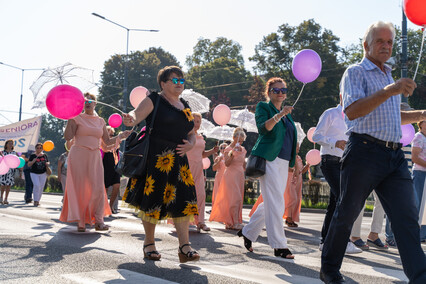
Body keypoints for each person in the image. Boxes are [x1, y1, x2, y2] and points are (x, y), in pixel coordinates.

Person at [320, 21, 426, 284]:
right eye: (380, 41)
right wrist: (392, 89)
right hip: (364, 152)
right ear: (366, 45)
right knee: (347, 212)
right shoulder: (355, 72)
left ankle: (421, 276)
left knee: (407, 218)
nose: (386, 46)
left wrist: (422, 114)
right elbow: (353, 111)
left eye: (390, 42)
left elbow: (392, 115)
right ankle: (329, 270)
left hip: (394, 156)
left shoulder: (388, 75)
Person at [122, 66, 200, 263]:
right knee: (153, 200)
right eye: (175, 80)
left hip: (179, 163)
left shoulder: (185, 105)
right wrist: (130, 119)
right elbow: (136, 115)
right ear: (163, 83)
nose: (179, 84)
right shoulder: (154, 99)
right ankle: (149, 243)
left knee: (183, 202)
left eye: (181, 80)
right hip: (156, 159)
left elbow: (191, 134)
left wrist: (190, 146)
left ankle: (184, 247)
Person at [238, 77, 296, 259]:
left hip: (284, 161)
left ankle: (248, 232)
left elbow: (291, 139)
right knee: (277, 201)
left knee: (272, 200)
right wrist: (280, 115)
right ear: (269, 93)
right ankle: (279, 246)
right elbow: (264, 129)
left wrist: (292, 164)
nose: (280, 93)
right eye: (276, 90)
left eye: (283, 90)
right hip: (269, 159)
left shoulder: (288, 115)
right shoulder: (264, 107)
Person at [60, 93, 130, 232]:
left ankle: (98, 221)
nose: (87, 102)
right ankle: (81, 221)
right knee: (80, 188)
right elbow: (68, 137)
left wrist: (120, 136)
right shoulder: (76, 118)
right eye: (84, 100)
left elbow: (106, 143)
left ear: (95, 103)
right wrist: (69, 119)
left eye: (90, 100)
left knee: (98, 188)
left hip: (95, 156)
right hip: (78, 155)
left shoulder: (100, 121)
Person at [312, 95, 362, 255]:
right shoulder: (330, 113)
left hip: (347, 162)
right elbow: (316, 136)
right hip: (330, 160)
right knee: (344, 199)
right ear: (341, 95)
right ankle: (342, 241)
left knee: (335, 203)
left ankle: (324, 241)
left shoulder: (355, 117)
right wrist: (336, 142)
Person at [186, 112, 219, 232]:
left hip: (198, 170)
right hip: (187, 168)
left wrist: (212, 150)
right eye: (194, 121)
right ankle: (186, 220)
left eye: (198, 121)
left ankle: (200, 222)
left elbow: (203, 154)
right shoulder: (185, 135)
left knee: (200, 195)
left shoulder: (201, 137)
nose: (196, 123)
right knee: (187, 194)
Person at [209, 127, 247, 230]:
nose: (240, 143)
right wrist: (233, 153)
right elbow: (227, 164)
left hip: (240, 176)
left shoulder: (243, 150)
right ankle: (233, 222)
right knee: (235, 198)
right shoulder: (228, 149)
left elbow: (244, 166)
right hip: (231, 175)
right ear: (234, 138)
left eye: (242, 141)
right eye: (239, 140)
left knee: (238, 199)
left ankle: (232, 222)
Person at [283, 143, 309, 227]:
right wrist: (293, 170)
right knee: (291, 198)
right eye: (296, 146)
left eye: (298, 146)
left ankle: (290, 218)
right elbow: (285, 168)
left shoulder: (299, 158)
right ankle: (286, 217)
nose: (298, 148)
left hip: (298, 181)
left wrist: (308, 165)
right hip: (290, 181)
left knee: (296, 200)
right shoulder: (288, 156)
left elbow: (301, 171)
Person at [101, 126, 122, 214]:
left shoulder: (116, 145)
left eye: (113, 135)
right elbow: (104, 149)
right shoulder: (102, 143)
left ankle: (111, 206)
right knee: (105, 190)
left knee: (116, 187)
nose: (112, 137)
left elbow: (117, 156)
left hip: (115, 169)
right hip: (105, 168)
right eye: (110, 135)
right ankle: (104, 207)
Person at [412, 120, 426, 242]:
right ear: (420, 124)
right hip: (420, 173)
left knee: (425, 206)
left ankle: (423, 235)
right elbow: (414, 157)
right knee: (418, 204)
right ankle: (416, 234)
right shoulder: (419, 137)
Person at [27, 142, 49, 207]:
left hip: (43, 173)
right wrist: (33, 161)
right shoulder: (33, 155)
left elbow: (47, 162)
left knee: (41, 187)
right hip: (34, 173)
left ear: (42, 149)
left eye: (40, 148)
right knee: (36, 185)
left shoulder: (44, 155)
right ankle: (35, 200)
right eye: (37, 148)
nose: (39, 149)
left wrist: (48, 164)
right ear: (35, 149)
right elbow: (28, 164)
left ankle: (38, 200)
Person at [0, 140, 19, 205]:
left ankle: (6, 199)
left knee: (8, 185)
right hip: (4, 170)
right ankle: (1, 197)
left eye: (12, 144)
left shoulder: (14, 153)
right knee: (3, 185)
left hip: (11, 171)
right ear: (6, 144)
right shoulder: (2, 152)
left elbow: (17, 161)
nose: (11, 145)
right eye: (9, 143)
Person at [211, 142, 228, 209]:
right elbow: (214, 168)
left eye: (225, 147)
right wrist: (219, 160)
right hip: (219, 177)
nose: (223, 149)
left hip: (227, 178)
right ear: (220, 149)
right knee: (217, 193)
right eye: (222, 148)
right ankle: (216, 208)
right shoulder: (218, 157)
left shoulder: (230, 157)